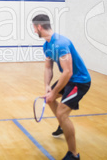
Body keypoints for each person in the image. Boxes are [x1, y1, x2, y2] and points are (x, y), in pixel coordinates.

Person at [32, 14, 91, 160]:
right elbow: (48, 68)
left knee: (62, 113)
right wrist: (47, 87)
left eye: (34, 28)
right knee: (50, 99)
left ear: (39, 26)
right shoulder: (47, 44)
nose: (34, 31)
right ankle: (63, 125)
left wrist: (54, 91)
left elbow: (68, 71)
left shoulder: (60, 43)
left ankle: (73, 154)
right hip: (69, 80)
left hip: (79, 81)